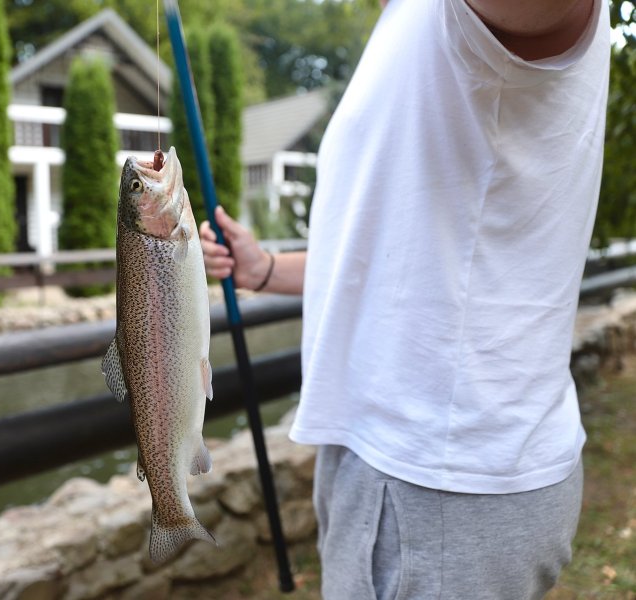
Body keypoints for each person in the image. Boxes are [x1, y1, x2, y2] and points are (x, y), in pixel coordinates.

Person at [200, 0, 610, 597]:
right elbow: (390, 256)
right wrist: (263, 271)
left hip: (439, 482)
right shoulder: (407, 23)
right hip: (395, 464)